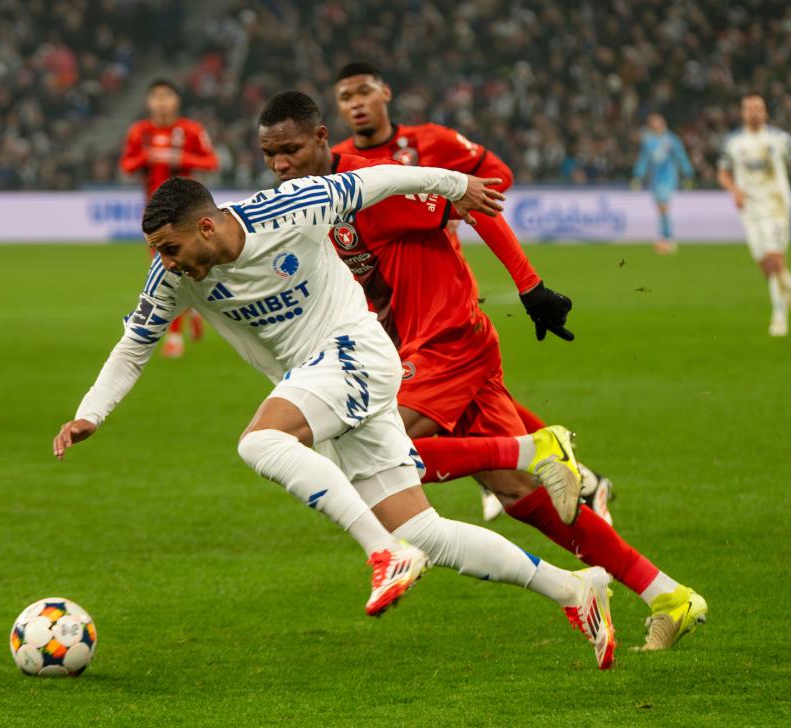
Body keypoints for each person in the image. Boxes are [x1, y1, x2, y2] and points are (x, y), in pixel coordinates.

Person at [52, 164, 618, 667]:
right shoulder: (174, 277)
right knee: (423, 530)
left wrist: (454, 185)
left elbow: (379, 180)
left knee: (260, 442)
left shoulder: (289, 208)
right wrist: (90, 414)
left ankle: (384, 553)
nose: (164, 261)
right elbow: (135, 345)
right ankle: (574, 588)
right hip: (321, 382)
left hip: (355, 352)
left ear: (205, 227)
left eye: (169, 248)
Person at [262, 89, 706, 652]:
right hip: (410, 353)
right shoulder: (304, 205)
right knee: (522, 495)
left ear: (321, 139)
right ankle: (668, 596)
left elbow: (475, 199)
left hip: (446, 341)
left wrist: (530, 286)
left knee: (381, 459)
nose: (281, 165)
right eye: (270, 155)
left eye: (291, 151)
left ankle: (536, 448)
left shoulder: (374, 184)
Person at [330, 61, 614, 525]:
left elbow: (495, 178)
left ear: (386, 93)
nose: (357, 103)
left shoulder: (431, 141)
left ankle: (509, 466)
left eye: (365, 91)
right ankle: (567, 471)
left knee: (401, 423)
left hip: (439, 289)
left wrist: (448, 213)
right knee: (467, 394)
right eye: (346, 97)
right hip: (382, 305)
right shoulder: (337, 161)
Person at [120, 79, 219, 358]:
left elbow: (211, 162)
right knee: (169, 270)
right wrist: (148, 157)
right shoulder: (139, 132)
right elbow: (127, 165)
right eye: (156, 96)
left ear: (177, 100)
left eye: (167, 96)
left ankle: (175, 334)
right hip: (154, 215)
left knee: (175, 269)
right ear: (148, 102)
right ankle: (192, 313)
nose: (162, 102)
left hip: (189, 212)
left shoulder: (191, 130)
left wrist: (179, 157)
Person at [717, 94, 791, 337]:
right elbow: (723, 173)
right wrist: (735, 191)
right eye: (749, 109)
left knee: (775, 259)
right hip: (750, 210)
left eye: (758, 108)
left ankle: (779, 317)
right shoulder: (732, 142)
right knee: (765, 265)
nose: (754, 113)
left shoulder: (781, 140)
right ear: (742, 113)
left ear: (765, 112)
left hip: (777, 206)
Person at [631, 113, 695, 255]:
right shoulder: (648, 141)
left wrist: (687, 174)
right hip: (655, 179)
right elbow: (644, 160)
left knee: (664, 206)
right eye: (652, 124)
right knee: (660, 208)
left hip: (668, 177)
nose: (655, 126)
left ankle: (667, 237)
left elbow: (681, 156)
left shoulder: (672, 140)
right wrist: (638, 176)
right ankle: (665, 236)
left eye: (657, 123)